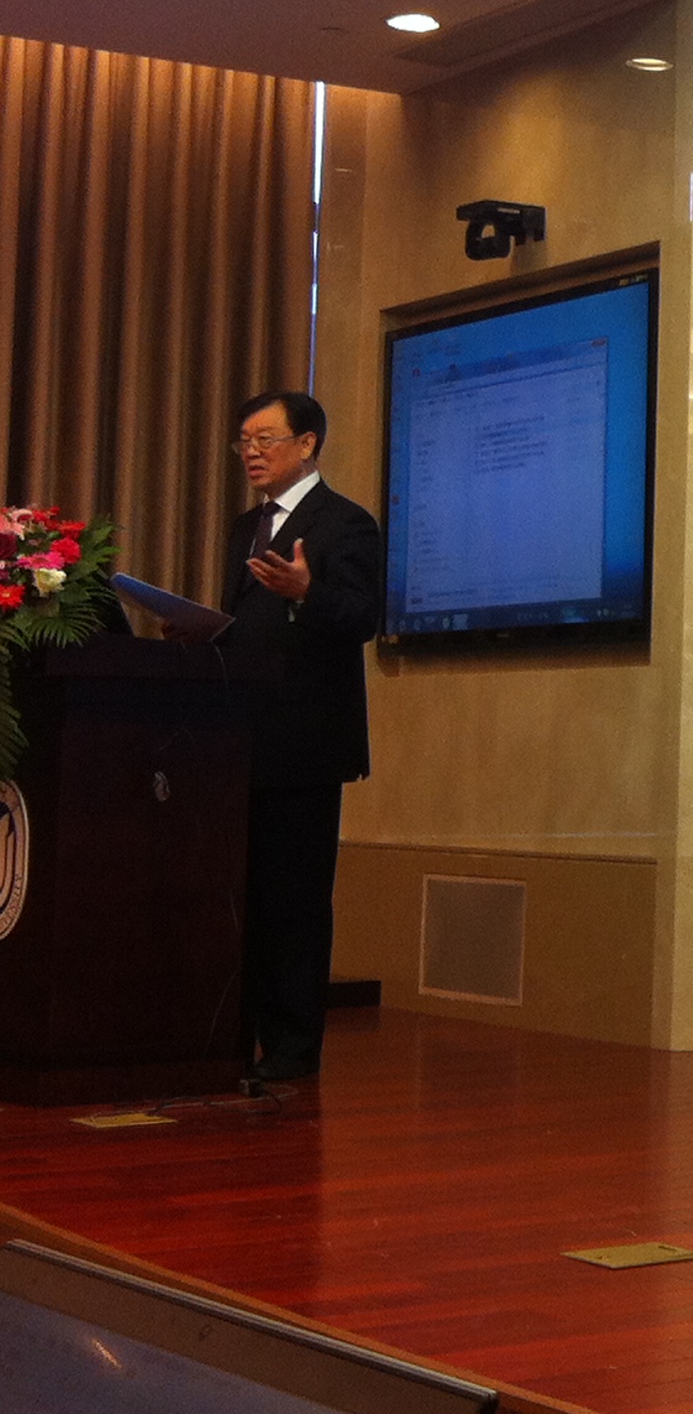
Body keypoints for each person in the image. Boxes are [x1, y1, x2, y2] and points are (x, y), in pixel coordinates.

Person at [219, 390, 382, 1083]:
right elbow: (251, 628)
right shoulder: (245, 527)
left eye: (266, 439)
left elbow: (362, 617)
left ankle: (291, 1050)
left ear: (308, 443)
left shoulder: (346, 523)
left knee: (294, 901)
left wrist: (306, 593)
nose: (252, 453)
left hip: (307, 743)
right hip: (243, 741)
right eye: (245, 442)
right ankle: (240, 1037)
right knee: (248, 897)